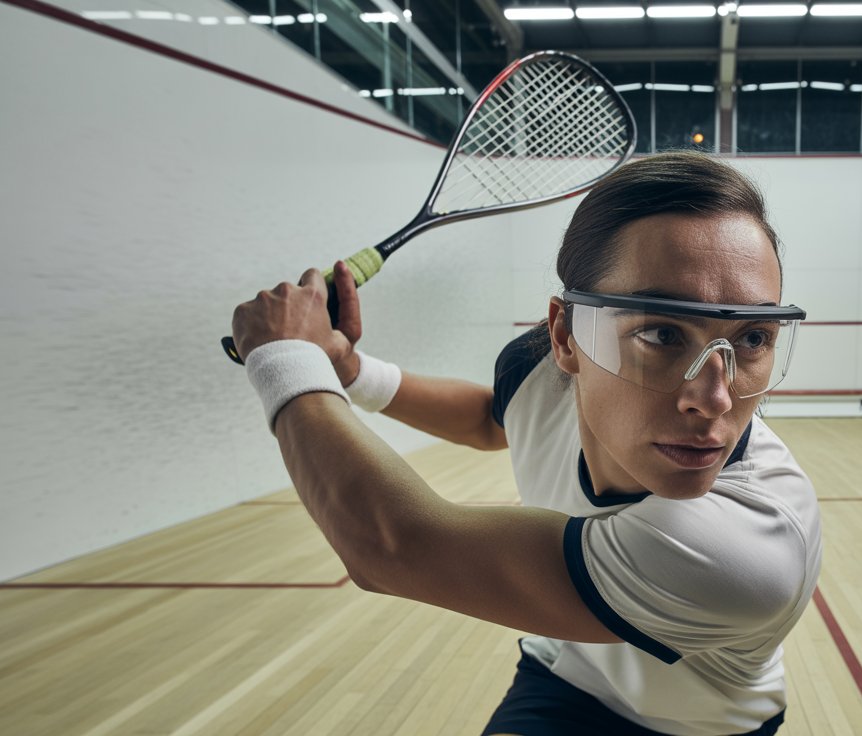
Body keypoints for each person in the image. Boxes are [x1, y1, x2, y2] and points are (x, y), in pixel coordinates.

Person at [230, 151, 823, 736]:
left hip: (702, 728)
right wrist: (350, 370)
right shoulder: (536, 370)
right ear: (564, 336)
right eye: (662, 332)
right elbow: (494, 419)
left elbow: (392, 545)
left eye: (752, 338)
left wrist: (285, 358)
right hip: (565, 679)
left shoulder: (750, 546)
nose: (714, 399)